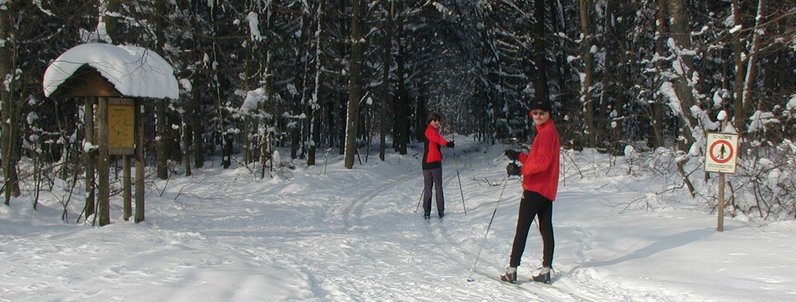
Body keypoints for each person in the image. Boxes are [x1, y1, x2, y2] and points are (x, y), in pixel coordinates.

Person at [499, 100, 560, 284]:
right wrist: (519, 156)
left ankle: (512, 270)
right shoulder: (546, 132)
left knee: (522, 228)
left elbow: (542, 162)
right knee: (546, 228)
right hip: (546, 190)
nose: (538, 116)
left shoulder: (547, 133)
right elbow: (538, 158)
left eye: (542, 113)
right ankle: (545, 270)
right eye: (535, 113)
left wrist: (520, 171)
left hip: (535, 189)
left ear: (549, 114)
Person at [422, 112, 454, 220]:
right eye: (434, 120)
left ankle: (434, 211)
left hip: (430, 164)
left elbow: (437, 140)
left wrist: (446, 143)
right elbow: (438, 139)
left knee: (432, 188)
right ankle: (433, 211)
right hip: (432, 164)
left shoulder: (432, 131)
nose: (437, 122)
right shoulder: (430, 131)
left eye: (438, 121)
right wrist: (447, 144)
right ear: (430, 121)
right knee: (434, 188)